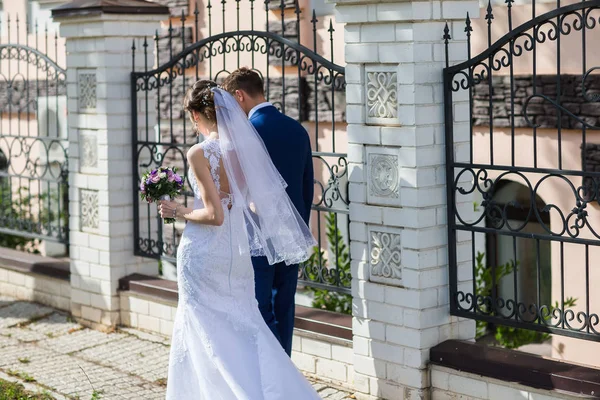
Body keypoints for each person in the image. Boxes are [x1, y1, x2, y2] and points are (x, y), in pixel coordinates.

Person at [158, 80, 319, 399]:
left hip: (204, 250)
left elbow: (214, 214)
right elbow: (247, 202)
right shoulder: (244, 149)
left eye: (192, 116)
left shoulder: (198, 153)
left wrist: (176, 210)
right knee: (243, 322)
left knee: (204, 323)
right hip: (237, 250)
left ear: (196, 114)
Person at [222, 68, 314, 357]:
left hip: (258, 237)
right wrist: (299, 230)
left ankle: (274, 374)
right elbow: (306, 186)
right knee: (285, 306)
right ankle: (285, 368)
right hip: (291, 236)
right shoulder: (297, 129)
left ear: (239, 95)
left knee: (261, 306)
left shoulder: (248, 133)